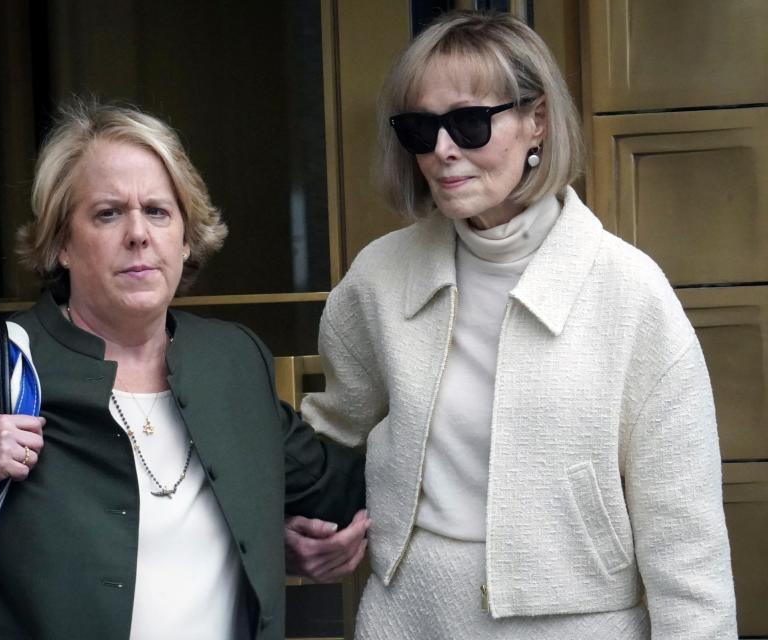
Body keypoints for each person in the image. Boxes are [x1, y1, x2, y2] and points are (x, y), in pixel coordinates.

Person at [0, 98, 367, 640]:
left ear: (186, 235)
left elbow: (330, 485)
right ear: (60, 244)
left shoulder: (231, 359)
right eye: (107, 213)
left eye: (158, 210)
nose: (138, 234)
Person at [289, 10, 737, 640]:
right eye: (420, 129)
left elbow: (686, 542)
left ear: (538, 121)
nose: (442, 151)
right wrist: (300, 529)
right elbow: (333, 443)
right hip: (408, 620)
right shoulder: (379, 279)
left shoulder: (629, 294)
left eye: (470, 123)